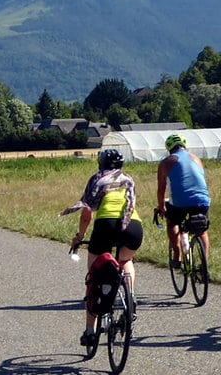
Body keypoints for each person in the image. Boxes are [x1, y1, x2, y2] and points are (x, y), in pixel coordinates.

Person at [61, 147, 144, 348]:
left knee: (95, 277)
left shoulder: (97, 179)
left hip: (106, 225)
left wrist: (79, 237)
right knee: (125, 261)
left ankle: (90, 331)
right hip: (133, 227)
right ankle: (130, 299)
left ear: (101, 164)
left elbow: (87, 212)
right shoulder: (128, 179)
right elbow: (130, 204)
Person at [155, 133, 211, 270]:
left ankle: (177, 255)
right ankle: (205, 265)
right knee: (201, 230)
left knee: (172, 222)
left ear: (169, 148)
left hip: (180, 201)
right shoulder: (196, 158)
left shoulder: (166, 162)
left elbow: (161, 189)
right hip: (203, 199)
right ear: (184, 146)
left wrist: (162, 207)